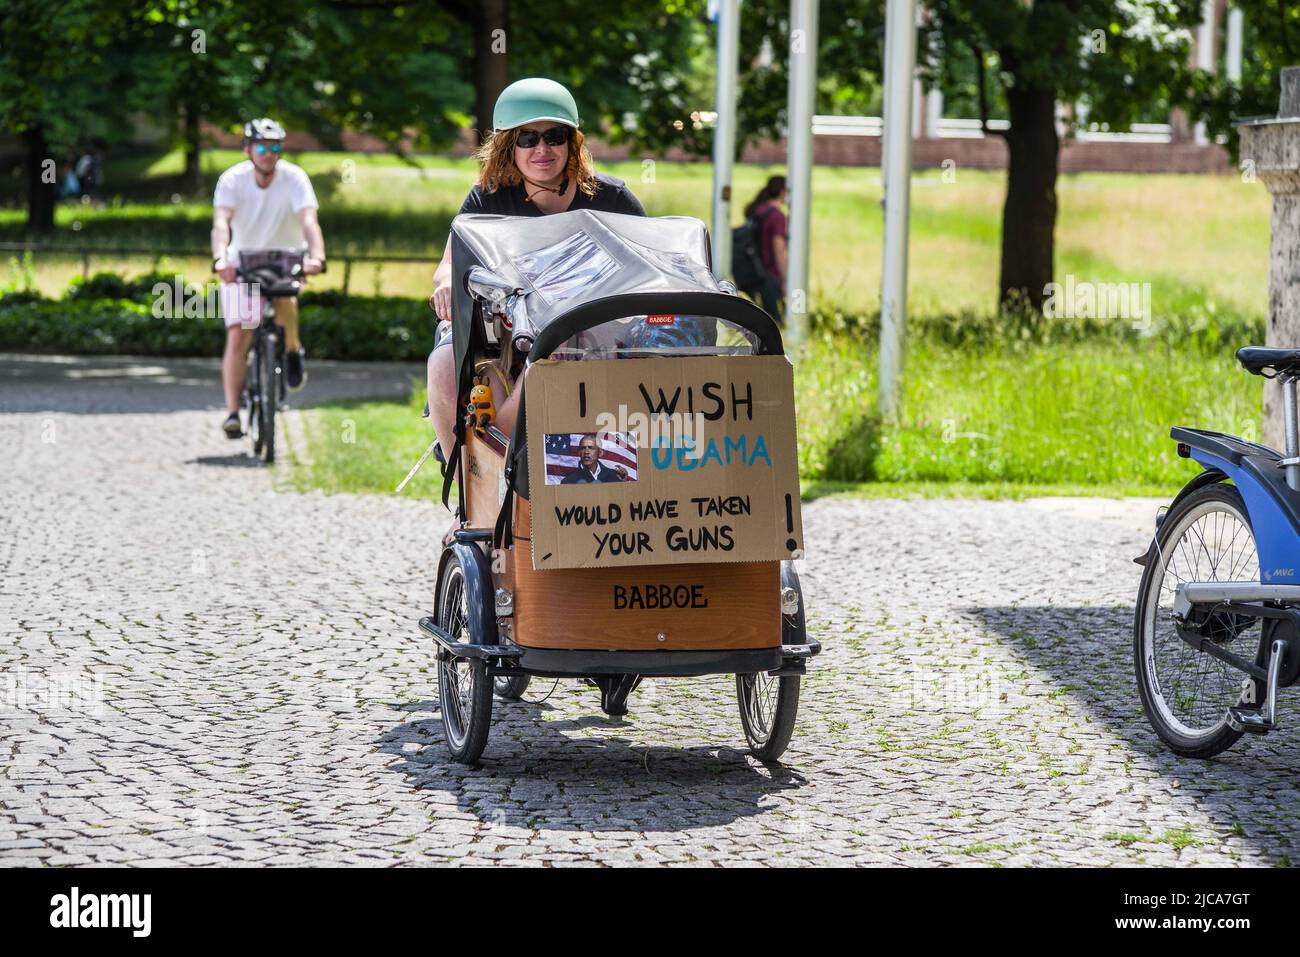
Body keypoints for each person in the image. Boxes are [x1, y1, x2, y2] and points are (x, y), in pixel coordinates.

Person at [425, 77, 647, 459]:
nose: (542, 149)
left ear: (571, 142)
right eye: (527, 139)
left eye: (554, 136)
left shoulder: (612, 198)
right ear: (509, 146)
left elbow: (651, 266)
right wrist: (445, 283)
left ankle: (495, 469)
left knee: (550, 359)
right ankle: (468, 491)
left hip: (589, 330)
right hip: (506, 331)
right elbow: (449, 263)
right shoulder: (488, 198)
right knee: (444, 363)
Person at [211, 118, 326, 438]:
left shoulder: (294, 178)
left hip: (285, 257)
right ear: (248, 149)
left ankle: (291, 350)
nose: (269, 154)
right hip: (241, 262)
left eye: (275, 147)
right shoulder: (232, 180)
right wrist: (221, 258)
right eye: (262, 147)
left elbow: (309, 222)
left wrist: (317, 256)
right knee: (239, 334)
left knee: (286, 297)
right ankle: (234, 412)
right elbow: (221, 223)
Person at [741, 175, 788, 322]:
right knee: (779, 321)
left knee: (762, 321)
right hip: (772, 274)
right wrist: (786, 278)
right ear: (782, 192)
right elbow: (779, 249)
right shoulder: (777, 216)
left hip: (755, 272)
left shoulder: (758, 210)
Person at [560, 434, 629, 484]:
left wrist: (622, 483)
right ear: (579, 452)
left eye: (591, 448)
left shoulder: (615, 476)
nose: (586, 452)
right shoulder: (568, 481)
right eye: (583, 448)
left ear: (600, 452)